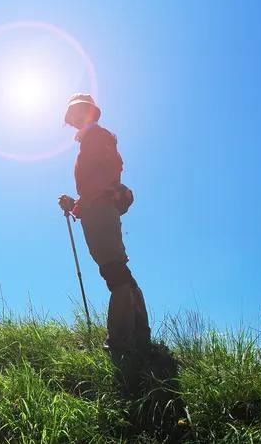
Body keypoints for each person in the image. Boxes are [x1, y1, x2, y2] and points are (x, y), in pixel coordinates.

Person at [58, 93, 151, 370]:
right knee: (118, 270)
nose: (73, 119)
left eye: (77, 112)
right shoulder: (92, 139)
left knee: (114, 271)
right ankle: (140, 335)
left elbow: (104, 179)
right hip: (97, 210)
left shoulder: (97, 137)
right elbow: (97, 186)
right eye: (71, 115)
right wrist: (76, 205)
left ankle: (121, 342)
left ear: (89, 112)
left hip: (100, 212)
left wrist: (92, 200)